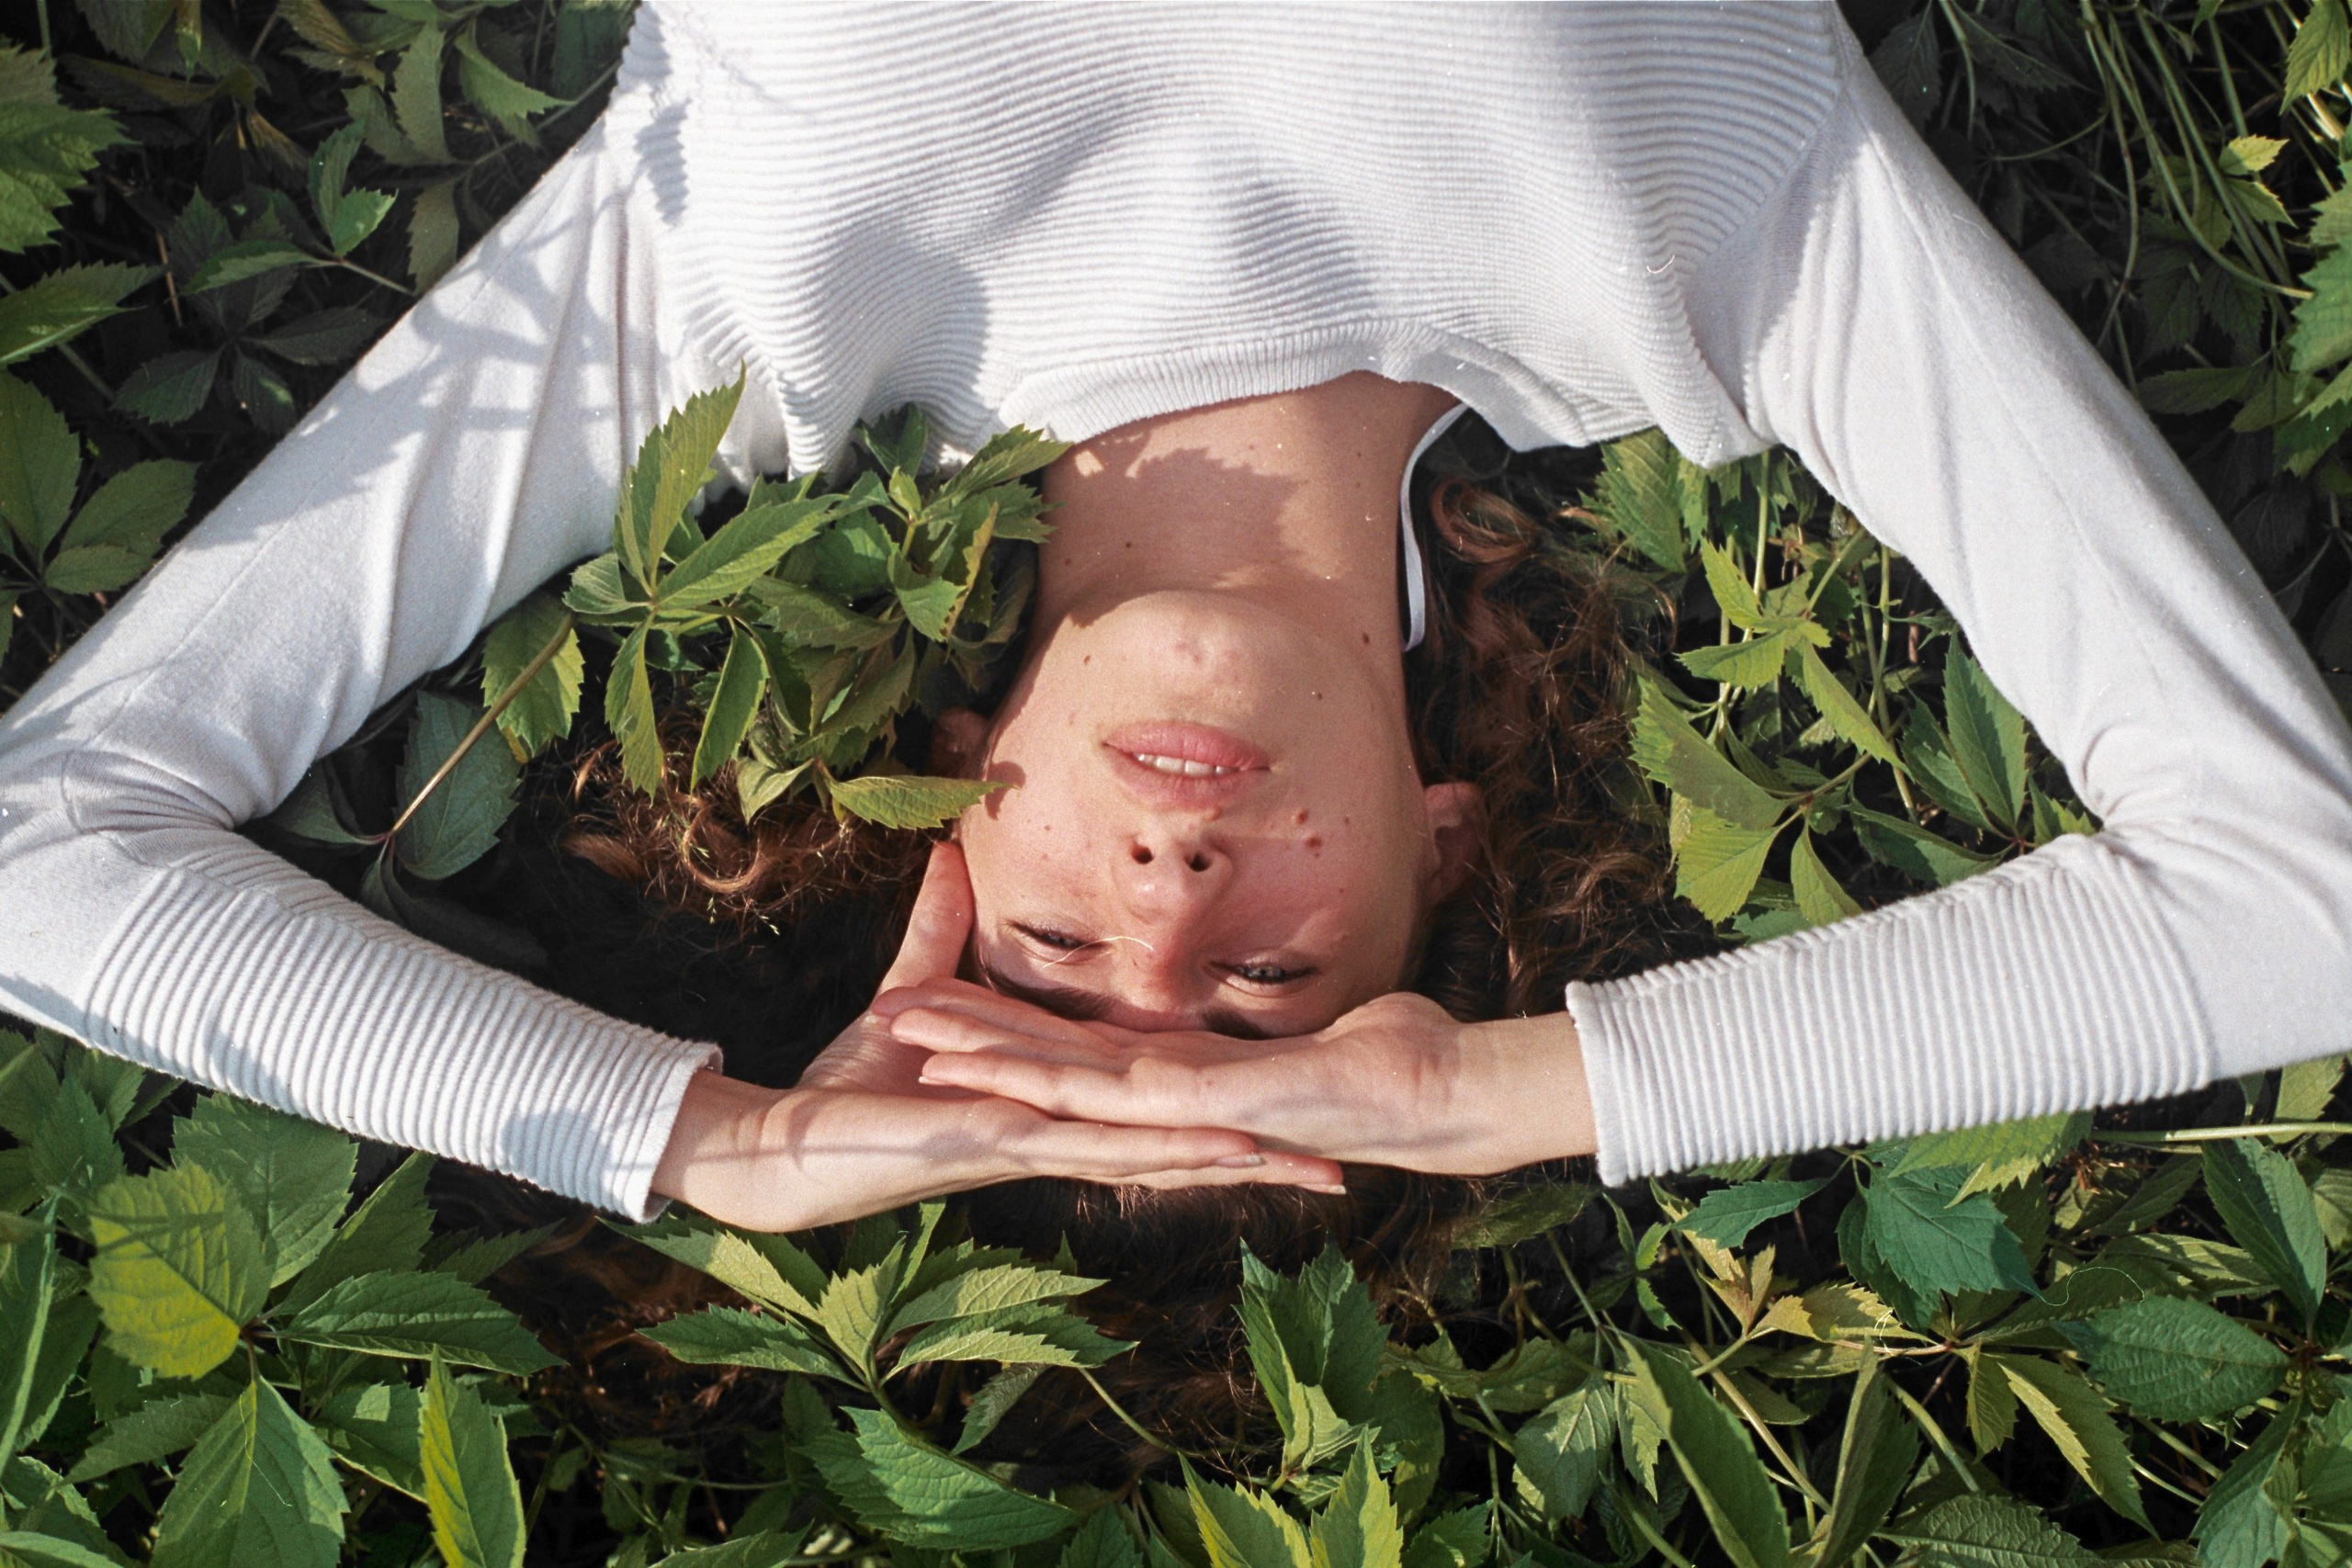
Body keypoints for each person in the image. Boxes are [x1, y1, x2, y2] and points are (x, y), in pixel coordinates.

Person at [2, 5, 2348, 1235]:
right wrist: (1474, 1103)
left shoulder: (738, 318)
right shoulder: (1723, 268)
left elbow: (51, 854)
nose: (1169, 902)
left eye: (1044, 966)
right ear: (1442, 841)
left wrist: (703, 1142)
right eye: (1272, 984)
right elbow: (2297, 904)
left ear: (953, 808)